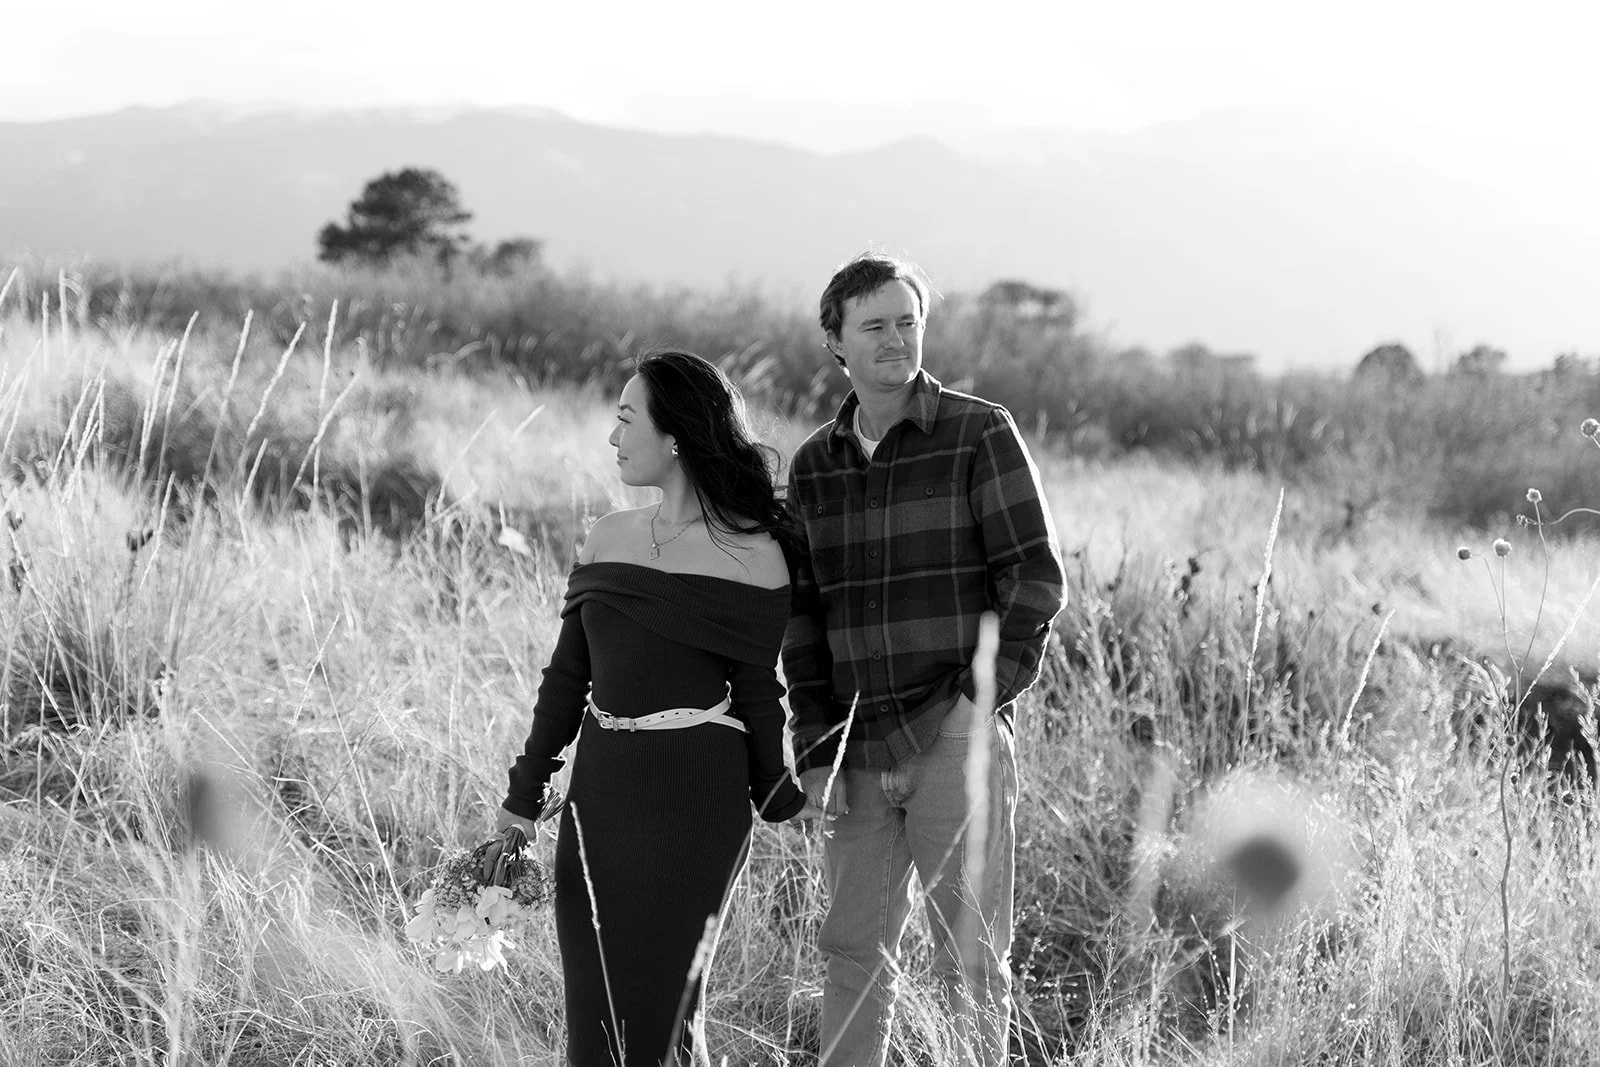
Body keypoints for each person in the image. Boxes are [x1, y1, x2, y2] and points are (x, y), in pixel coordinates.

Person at [496, 351, 820, 1067]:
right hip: (599, 796)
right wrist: (523, 795)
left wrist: (782, 791)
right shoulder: (608, 534)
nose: (613, 439)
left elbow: (760, 691)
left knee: (662, 1019)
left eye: (624, 419)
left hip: (697, 805)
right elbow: (565, 679)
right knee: (594, 1017)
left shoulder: (755, 554)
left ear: (674, 433)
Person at [783, 253, 1067, 1066]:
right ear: (835, 339)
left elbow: (1036, 579)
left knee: (971, 962)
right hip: (857, 748)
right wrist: (814, 745)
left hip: (954, 735)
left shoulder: (979, 432)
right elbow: (803, 622)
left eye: (908, 321)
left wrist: (980, 704)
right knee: (851, 952)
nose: (896, 339)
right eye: (874, 325)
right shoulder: (813, 467)